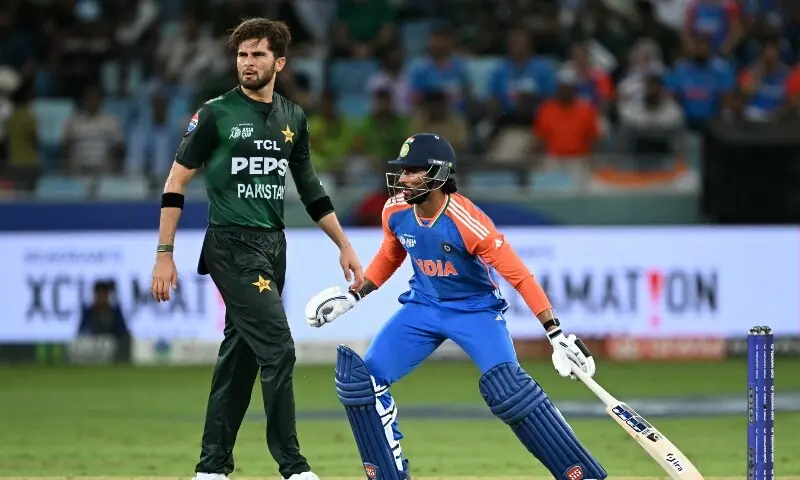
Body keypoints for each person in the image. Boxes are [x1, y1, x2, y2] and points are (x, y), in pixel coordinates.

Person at [304, 133, 607, 480]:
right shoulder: (396, 211)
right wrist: (355, 295)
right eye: (402, 170)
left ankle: (581, 474)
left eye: (413, 171)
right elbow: (392, 254)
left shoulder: (468, 221)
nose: (402, 179)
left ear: (437, 175)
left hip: (475, 312)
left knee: (512, 392)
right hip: (423, 308)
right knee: (363, 383)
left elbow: (520, 276)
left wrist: (555, 334)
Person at [149, 18, 365, 480]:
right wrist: (165, 252)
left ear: (279, 62)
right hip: (231, 243)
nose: (248, 63)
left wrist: (344, 245)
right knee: (280, 348)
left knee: (241, 355)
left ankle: (211, 468)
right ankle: (293, 465)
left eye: (258, 55)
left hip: (274, 247)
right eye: (242, 55)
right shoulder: (214, 114)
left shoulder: (293, 118)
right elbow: (176, 182)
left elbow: (309, 188)